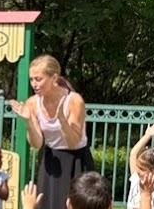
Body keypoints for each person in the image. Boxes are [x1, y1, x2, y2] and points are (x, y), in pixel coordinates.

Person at [9, 54, 94, 209]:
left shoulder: (74, 100)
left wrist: (62, 120)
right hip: (51, 159)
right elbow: (37, 144)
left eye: (38, 79)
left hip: (77, 159)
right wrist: (28, 122)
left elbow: (73, 143)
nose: (34, 84)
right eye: (31, 79)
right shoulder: (32, 103)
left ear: (54, 78)